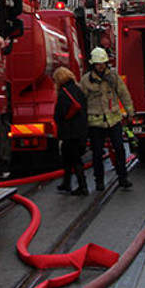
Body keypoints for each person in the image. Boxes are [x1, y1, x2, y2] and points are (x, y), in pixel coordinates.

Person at [81, 47, 134, 191]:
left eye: (103, 63)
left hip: (113, 120)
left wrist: (130, 113)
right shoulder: (86, 81)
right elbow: (82, 101)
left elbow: (124, 94)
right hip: (95, 123)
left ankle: (123, 177)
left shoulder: (113, 77)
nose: (101, 66)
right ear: (93, 64)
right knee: (97, 153)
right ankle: (99, 181)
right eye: (98, 64)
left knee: (119, 149)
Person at [51, 67, 89, 196]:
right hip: (81, 130)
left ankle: (81, 186)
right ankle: (67, 183)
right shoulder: (78, 89)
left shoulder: (63, 93)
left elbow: (60, 113)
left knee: (71, 158)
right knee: (71, 158)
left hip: (69, 132)